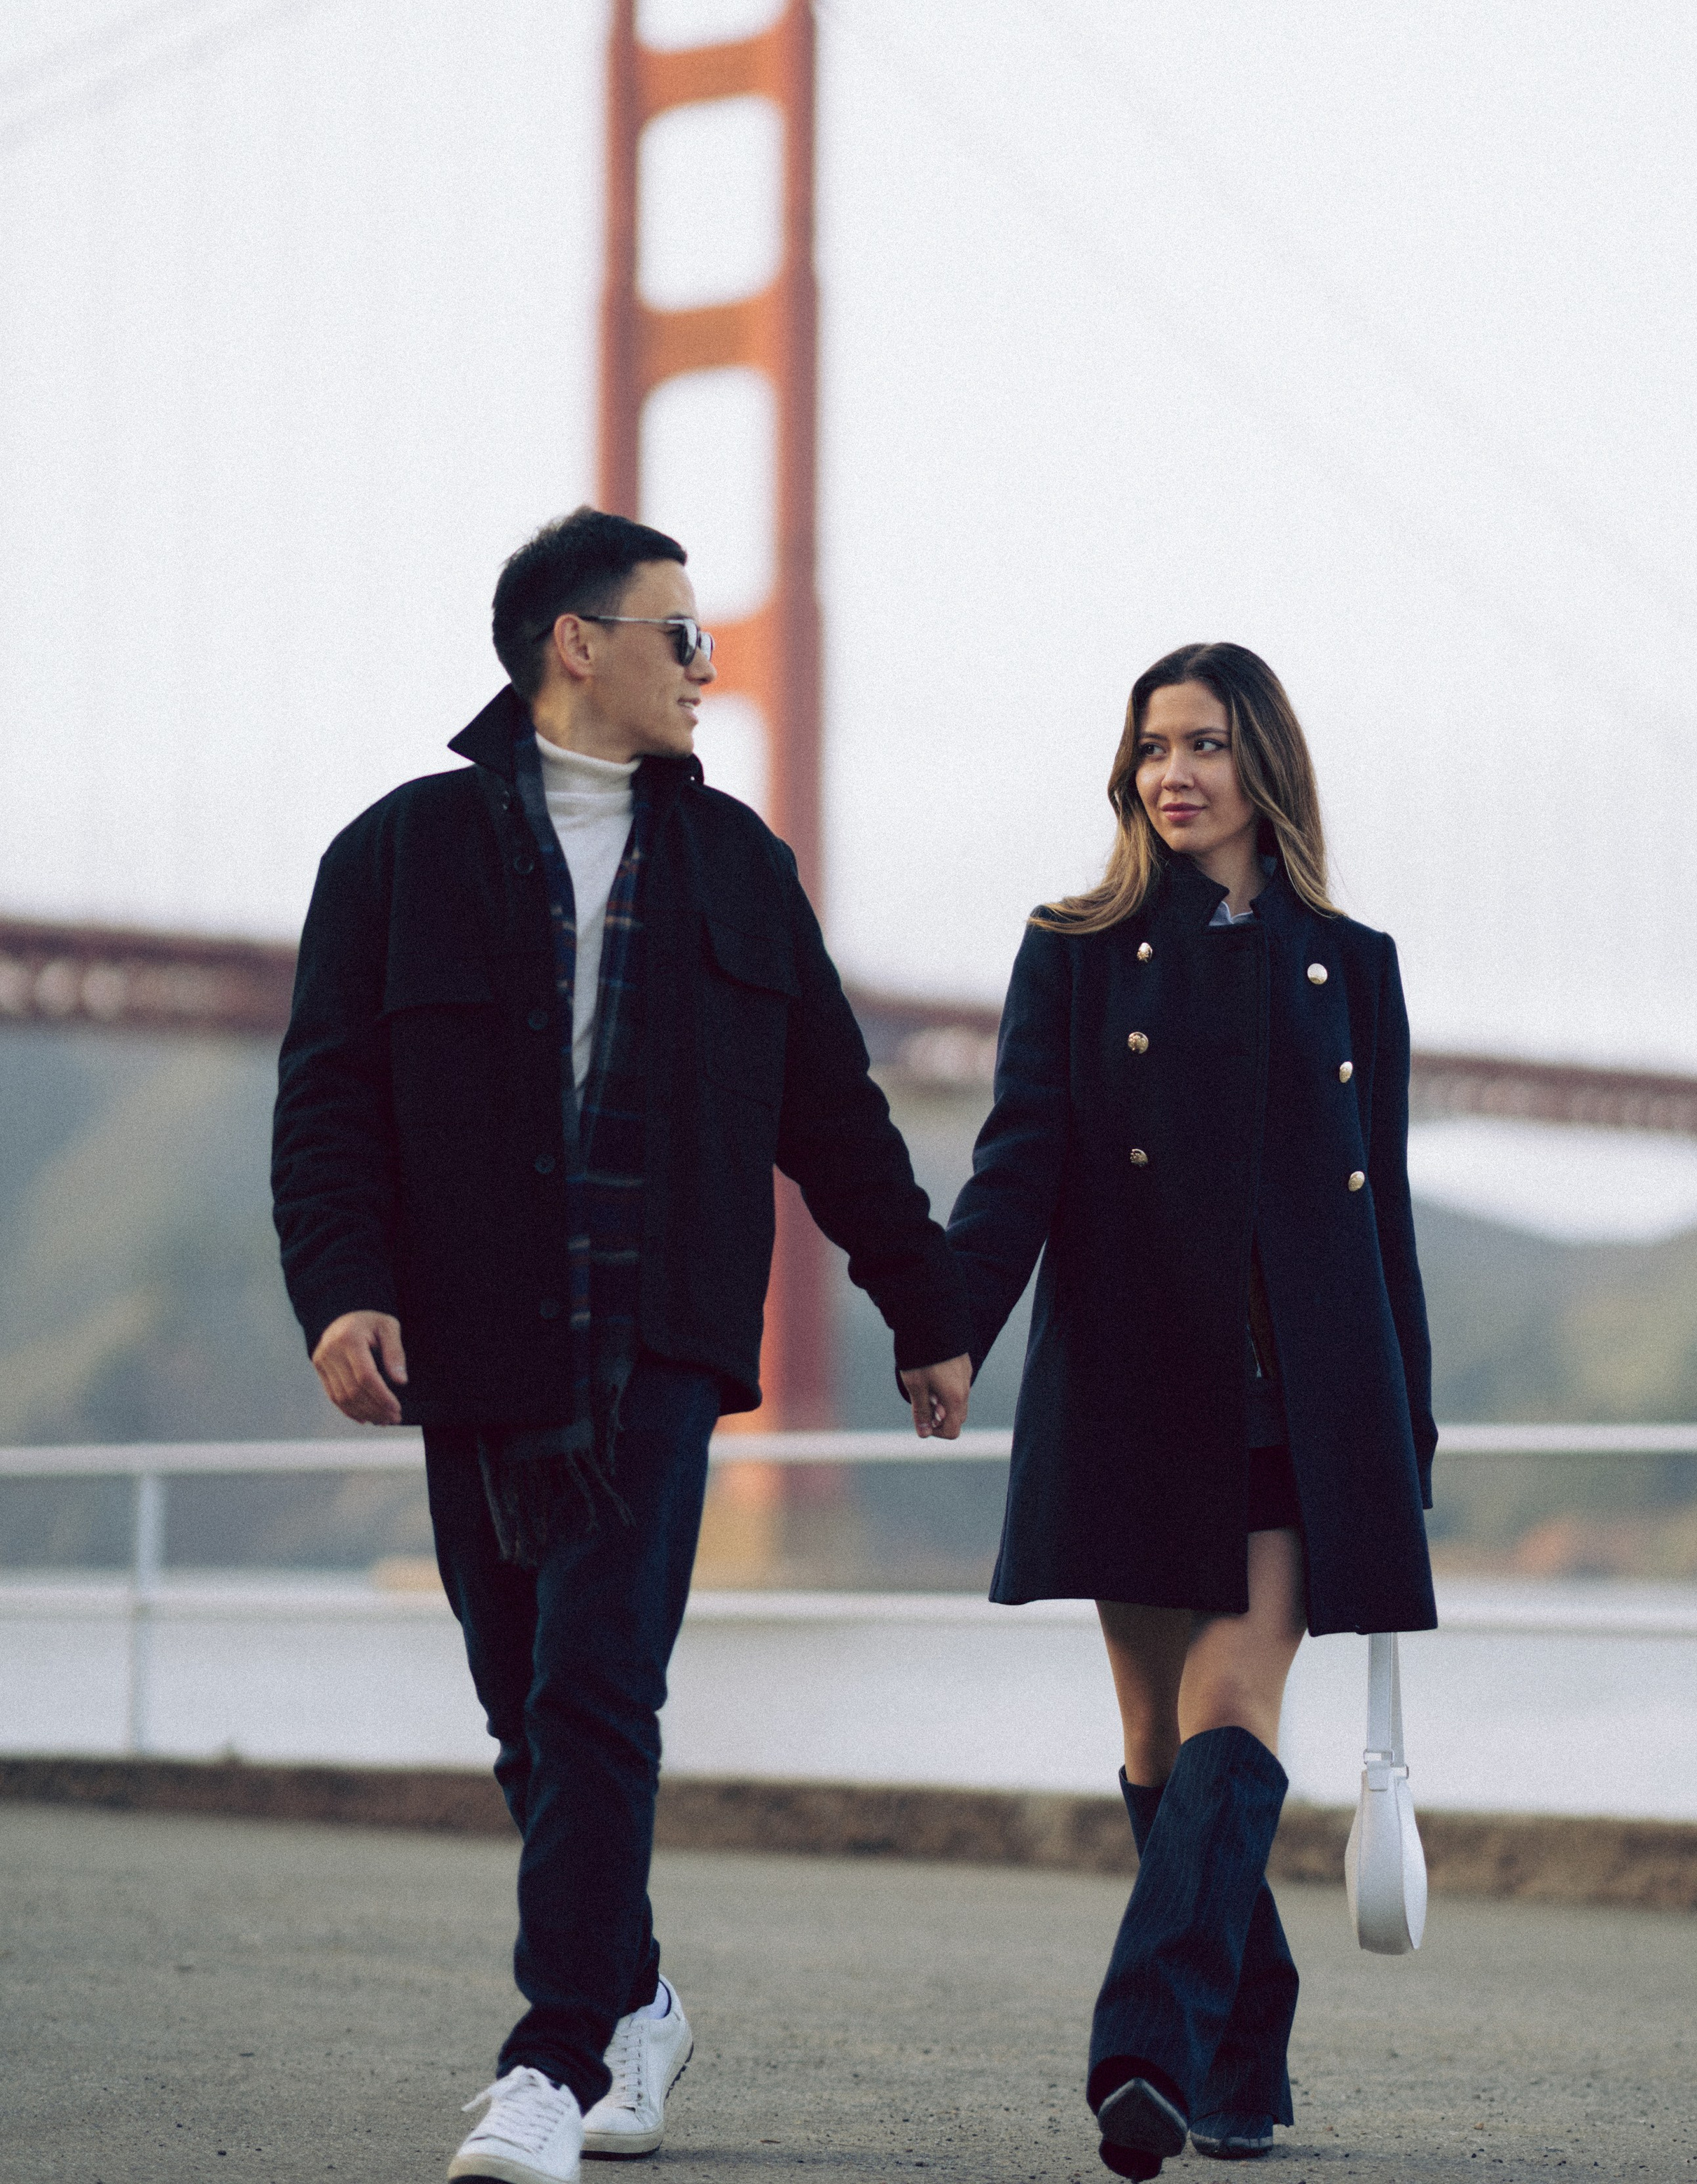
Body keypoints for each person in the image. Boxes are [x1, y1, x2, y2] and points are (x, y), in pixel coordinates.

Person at [272, 508, 972, 2184]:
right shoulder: (394, 854)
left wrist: (924, 1307)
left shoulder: (740, 866)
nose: (705, 667)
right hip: (476, 1337)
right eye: (680, 635)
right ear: (573, 644)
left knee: (597, 1688)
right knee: (524, 1705)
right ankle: (637, 1996)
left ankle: (548, 2056)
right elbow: (329, 1104)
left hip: (655, 1340)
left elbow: (832, 1109)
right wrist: (341, 1287)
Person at [946, 642, 1436, 2172]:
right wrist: (949, 1325)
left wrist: (1399, 1428)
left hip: (1302, 1405)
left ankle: (1140, 2051)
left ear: (1262, 767)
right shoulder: (1074, 947)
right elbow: (1018, 1156)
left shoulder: (1349, 963)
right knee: (1157, 1741)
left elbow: (1383, 1217)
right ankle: (1244, 2055)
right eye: (1152, 745)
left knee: (1233, 1708)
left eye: (1206, 744)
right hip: (1132, 1390)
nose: (1173, 773)